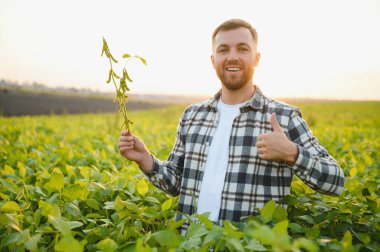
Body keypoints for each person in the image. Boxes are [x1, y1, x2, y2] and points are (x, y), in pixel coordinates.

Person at [118, 18, 345, 234]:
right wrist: (145, 159)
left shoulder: (284, 117)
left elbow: (335, 182)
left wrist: (292, 154)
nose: (232, 57)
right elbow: (176, 184)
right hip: (191, 243)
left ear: (256, 58)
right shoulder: (192, 116)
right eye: (223, 49)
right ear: (213, 60)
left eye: (242, 49)